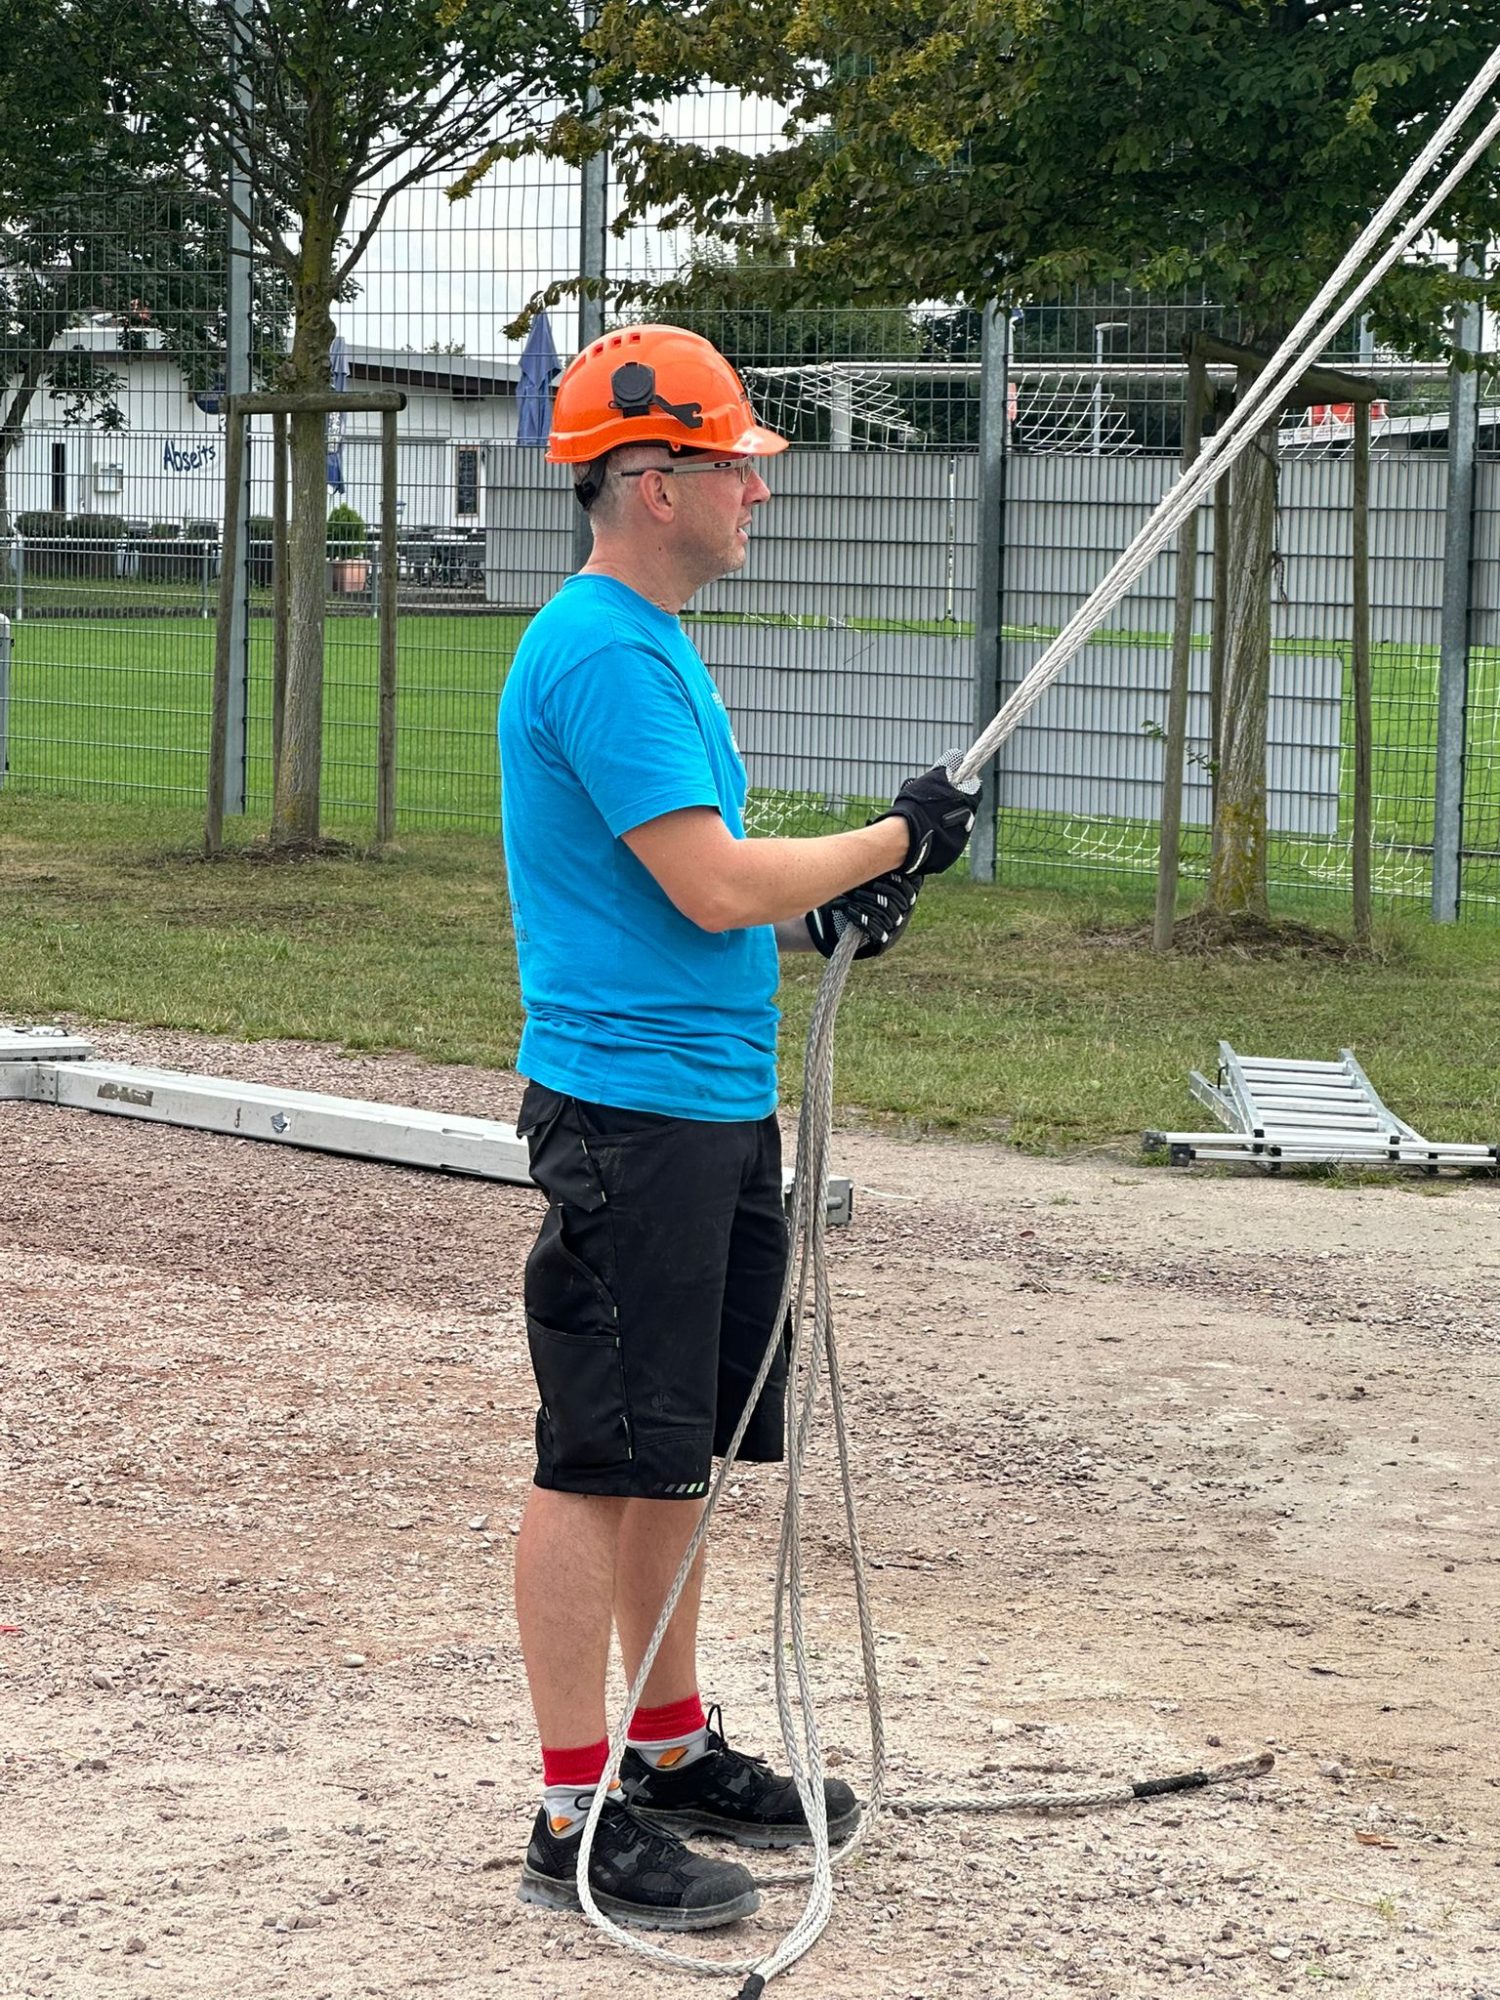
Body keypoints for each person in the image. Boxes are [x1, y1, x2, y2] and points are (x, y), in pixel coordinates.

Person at [498, 324, 977, 1932]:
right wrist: (891, 839)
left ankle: (670, 1745)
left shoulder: (649, 644)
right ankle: (575, 1813)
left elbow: (690, 884)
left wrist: (817, 910)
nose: (759, 489)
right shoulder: (603, 653)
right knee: (598, 1455)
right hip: (632, 1115)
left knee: (677, 1448)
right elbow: (711, 880)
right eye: (737, 466)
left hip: (699, 1105)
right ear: (654, 482)